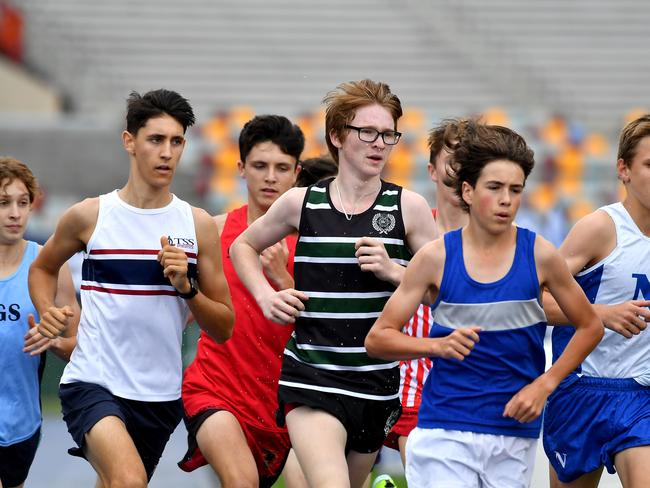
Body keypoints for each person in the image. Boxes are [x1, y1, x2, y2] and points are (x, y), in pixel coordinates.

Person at [365, 120, 603, 488]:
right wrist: (435, 346)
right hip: (445, 427)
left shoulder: (541, 255)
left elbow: (591, 326)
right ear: (468, 191)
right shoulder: (435, 257)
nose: (506, 199)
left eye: (516, 189)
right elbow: (378, 339)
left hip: (513, 433)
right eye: (494, 188)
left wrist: (545, 384)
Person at [230, 79, 437, 488]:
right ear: (337, 136)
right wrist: (266, 295)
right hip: (312, 375)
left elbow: (444, 292)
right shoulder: (301, 202)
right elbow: (242, 246)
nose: (379, 143)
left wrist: (397, 272)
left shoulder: (407, 208)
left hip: (377, 384)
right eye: (367, 132)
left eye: (388, 134)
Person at [28, 89, 235, 487]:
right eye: (155, 140)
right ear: (130, 141)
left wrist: (187, 288)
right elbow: (42, 268)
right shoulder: (90, 216)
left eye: (176, 142)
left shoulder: (197, 225)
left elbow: (223, 327)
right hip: (92, 380)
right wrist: (48, 310)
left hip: (158, 395)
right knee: (128, 479)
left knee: (116, 482)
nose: (166, 152)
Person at [179, 114, 306, 488]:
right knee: (241, 481)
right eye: (260, 166)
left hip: (281, 402)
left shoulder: (313, 245)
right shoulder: (213, 231)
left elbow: (325, 327)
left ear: (296, 173)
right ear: (240, 168)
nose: (270, 177)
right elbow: (181, 310)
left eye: (281, 168)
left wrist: (283, 277)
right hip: (214, 386)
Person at [542, 114, 650, 487]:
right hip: (582, 390)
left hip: (641, 394)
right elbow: (538, 301)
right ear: (624, 169)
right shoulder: (600, 229)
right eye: (649, 165)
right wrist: (599, 314)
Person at [383, 118, 470, 466]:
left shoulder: (505, 243)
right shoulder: (402, 237)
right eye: (451, 161)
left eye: (469, 162)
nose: (458, 172)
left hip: (477, 386)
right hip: (415, 388)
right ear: (432, 170)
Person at [0, 157, 79, 488]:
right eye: (4, 203)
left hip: (22, 423)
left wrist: (54, 340)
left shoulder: (49, 266)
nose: (15, 213)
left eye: (23, 203)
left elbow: (79, 348)